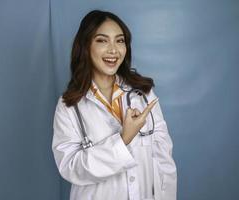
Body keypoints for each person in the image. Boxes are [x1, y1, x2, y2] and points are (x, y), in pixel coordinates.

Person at [52, 10, 177, 200]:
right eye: (102, 40)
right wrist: (123, 139)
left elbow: (164, 161)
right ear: (86, 46)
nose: (113, 50)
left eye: (120, 40)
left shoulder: (143, 94)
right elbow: (71, 168)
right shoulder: (69, 105)